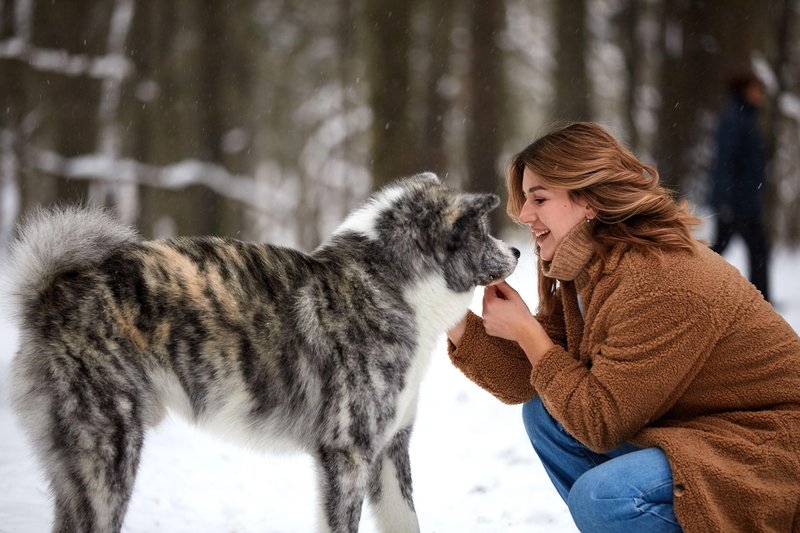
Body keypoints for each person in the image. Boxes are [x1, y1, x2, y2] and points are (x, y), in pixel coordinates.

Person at [446, 122, 800, 533]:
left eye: (539, 199)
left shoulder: (662, 280)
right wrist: (448, 313)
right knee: (545, 411)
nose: (525, 215)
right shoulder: (592, 266)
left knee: (605, 497)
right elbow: (526, 380)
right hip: (702, 432)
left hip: (768, 449)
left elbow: (601, 423)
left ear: (590, 202)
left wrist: (528, 331)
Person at [709, 71, 770, 301]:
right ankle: (762, 300)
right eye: (756, 89)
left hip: (744, 199)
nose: (760, 94)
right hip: (737, 201)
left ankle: (761, 299)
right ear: (745, 90)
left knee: (721, 250)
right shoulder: (735, 119)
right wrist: (726, 201)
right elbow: (725, 160)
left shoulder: (745, 118)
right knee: (756, 250)